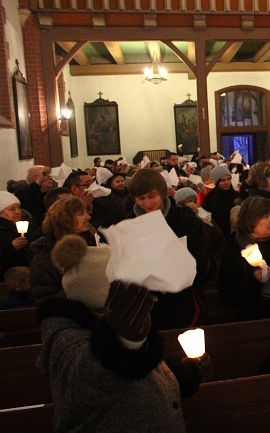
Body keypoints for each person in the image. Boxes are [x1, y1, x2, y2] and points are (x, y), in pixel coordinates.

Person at [39, 235, 209, 432]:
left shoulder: (120, 323)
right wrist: (123, 343)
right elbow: (89, 387)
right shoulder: (67, 337)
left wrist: (183, 370)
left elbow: (139, 380)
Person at [128, 169, 209, 329]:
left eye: (152, 196)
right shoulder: (129, 224)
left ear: (163, 193)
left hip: (183, 303)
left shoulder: (185, 221)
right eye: (140, 198)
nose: (147, 203)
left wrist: (189, 253)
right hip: (146, 306)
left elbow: (206, 266)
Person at [30, 197, 97, 301]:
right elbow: (45, 298)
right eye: (80, 214)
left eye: (86, 212)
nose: (88, 217)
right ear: (64, 219)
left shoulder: (93, 244)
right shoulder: (43, 258)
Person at [201, 165, 239, 237]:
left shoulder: (237, 195)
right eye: (223, 180)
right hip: (220, 236)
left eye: (228, 179)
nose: (227, 182)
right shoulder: (210, 199)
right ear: (216, 182)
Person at [0, 191, 30, 280]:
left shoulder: (26, 224)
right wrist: (12, 248)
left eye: (19, 208)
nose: (18, 212)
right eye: (12, 209)